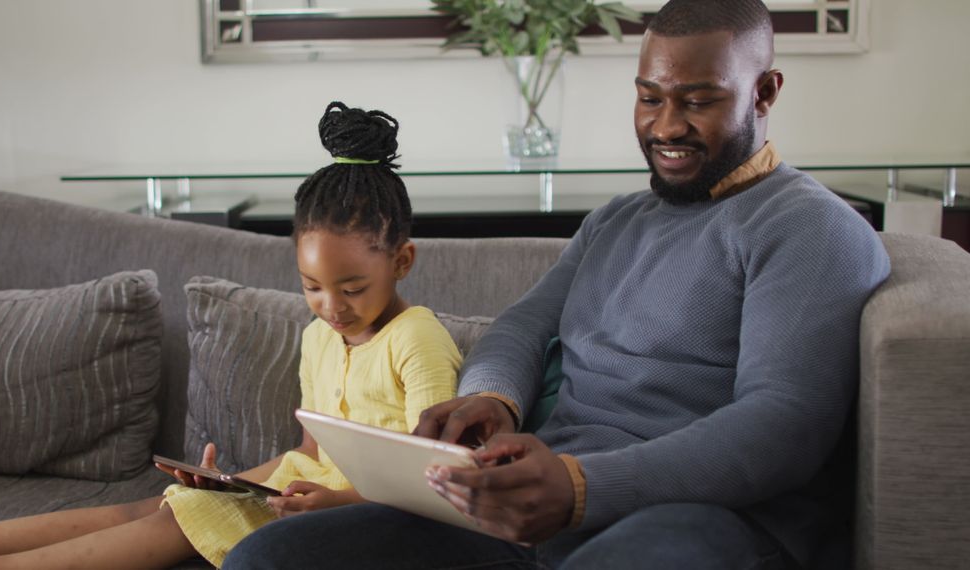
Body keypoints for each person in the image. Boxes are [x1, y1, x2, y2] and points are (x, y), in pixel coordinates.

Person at [221, 1, 892, 569]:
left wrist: (579, 484)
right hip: (545, 502)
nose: (665, 127)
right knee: (269, 556)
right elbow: (522, 324)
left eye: (699, 102)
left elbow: (781, 428)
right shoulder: (617, 221)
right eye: (649, 98)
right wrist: (494, 398)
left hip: (711, 516)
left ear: (765, 92)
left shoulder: (810, 230)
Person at [0, 101, 463, 570]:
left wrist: (338, 501)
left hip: (370, 514)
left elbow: (434, 478)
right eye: (312, 286)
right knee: (160, 502)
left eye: (353, 288)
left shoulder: (416, 339)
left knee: (172, 521)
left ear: (403, 261)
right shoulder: (318, 336)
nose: (331, 307)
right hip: (301, 495)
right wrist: (231, 483)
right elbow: (309, 454)